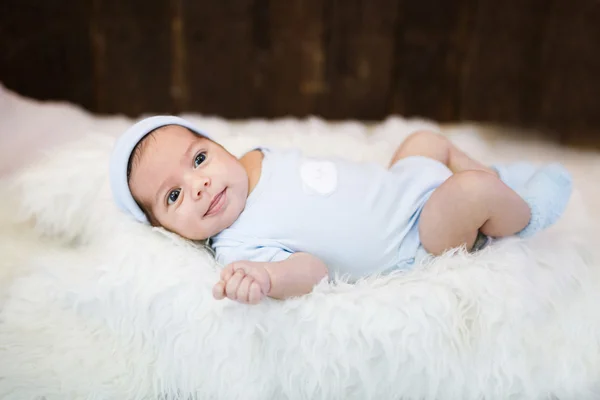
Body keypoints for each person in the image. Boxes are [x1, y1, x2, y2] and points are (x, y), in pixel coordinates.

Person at [109, 116, 572, 305]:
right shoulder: (237, 246)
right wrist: (268, 279)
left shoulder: (255, 160)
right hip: (419, 239)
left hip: (402, 188)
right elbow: (313, 271)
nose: (199, 185)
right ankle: (522, 210)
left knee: (423, 141)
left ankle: (491, 173)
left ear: (217, 145)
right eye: (172, 197)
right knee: (471, 192)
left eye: (198, 158)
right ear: (168, 231)